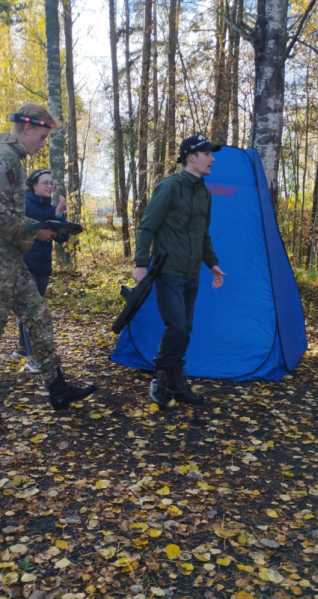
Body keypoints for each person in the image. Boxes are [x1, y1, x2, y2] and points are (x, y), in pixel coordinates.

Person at [0, 103, 96, 425]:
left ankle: (58, 388)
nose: (42, 144)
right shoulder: (6, 158)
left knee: (38, 316)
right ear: (27, 128)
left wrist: (38, 228)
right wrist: (35, 230)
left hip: (11, 257)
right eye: (41, 137)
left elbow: (5, 213)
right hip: (0, 258)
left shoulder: (9, 157)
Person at [133, 134, 227, 408]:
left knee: (185, 328)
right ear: (191, 157)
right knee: (175, 326)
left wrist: (212, 263)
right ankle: (160, 376)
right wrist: (141, 264)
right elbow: (146, 226)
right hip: (169, 270)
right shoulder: (170, 186)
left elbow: (203, 234)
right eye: (207, 154)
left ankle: (175, 381)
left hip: (191, 273)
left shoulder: (204, 193)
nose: (212, 159)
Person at [12, 169, 69, 373]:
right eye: (45, 183)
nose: (49, 186)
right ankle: (33, 358)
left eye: (52, 183)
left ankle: (21, 348)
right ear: (34, 185)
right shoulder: (24, 205)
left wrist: (59, 213)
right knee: (33, 310)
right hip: (24, 263)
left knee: (30, 309)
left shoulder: (51, 208)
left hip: (44, 266)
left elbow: (62, 238)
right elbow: (15, 230)